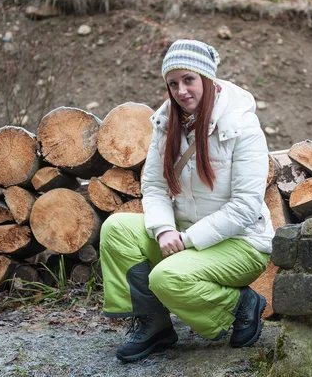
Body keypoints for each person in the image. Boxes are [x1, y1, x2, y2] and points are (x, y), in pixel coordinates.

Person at [99, 39, 274, 362]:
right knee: (116, 228)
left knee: (167, 278)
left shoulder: (241, 124)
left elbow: (246, 207)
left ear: (207, 79)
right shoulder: (167, 123)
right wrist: (165, 230)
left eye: (189, 80)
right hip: (183, 234)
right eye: (173, 83)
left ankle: (241, 305)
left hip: (241, 243)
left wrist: (188, 238)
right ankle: (154, 325)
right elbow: (153, 186)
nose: (181, 91)